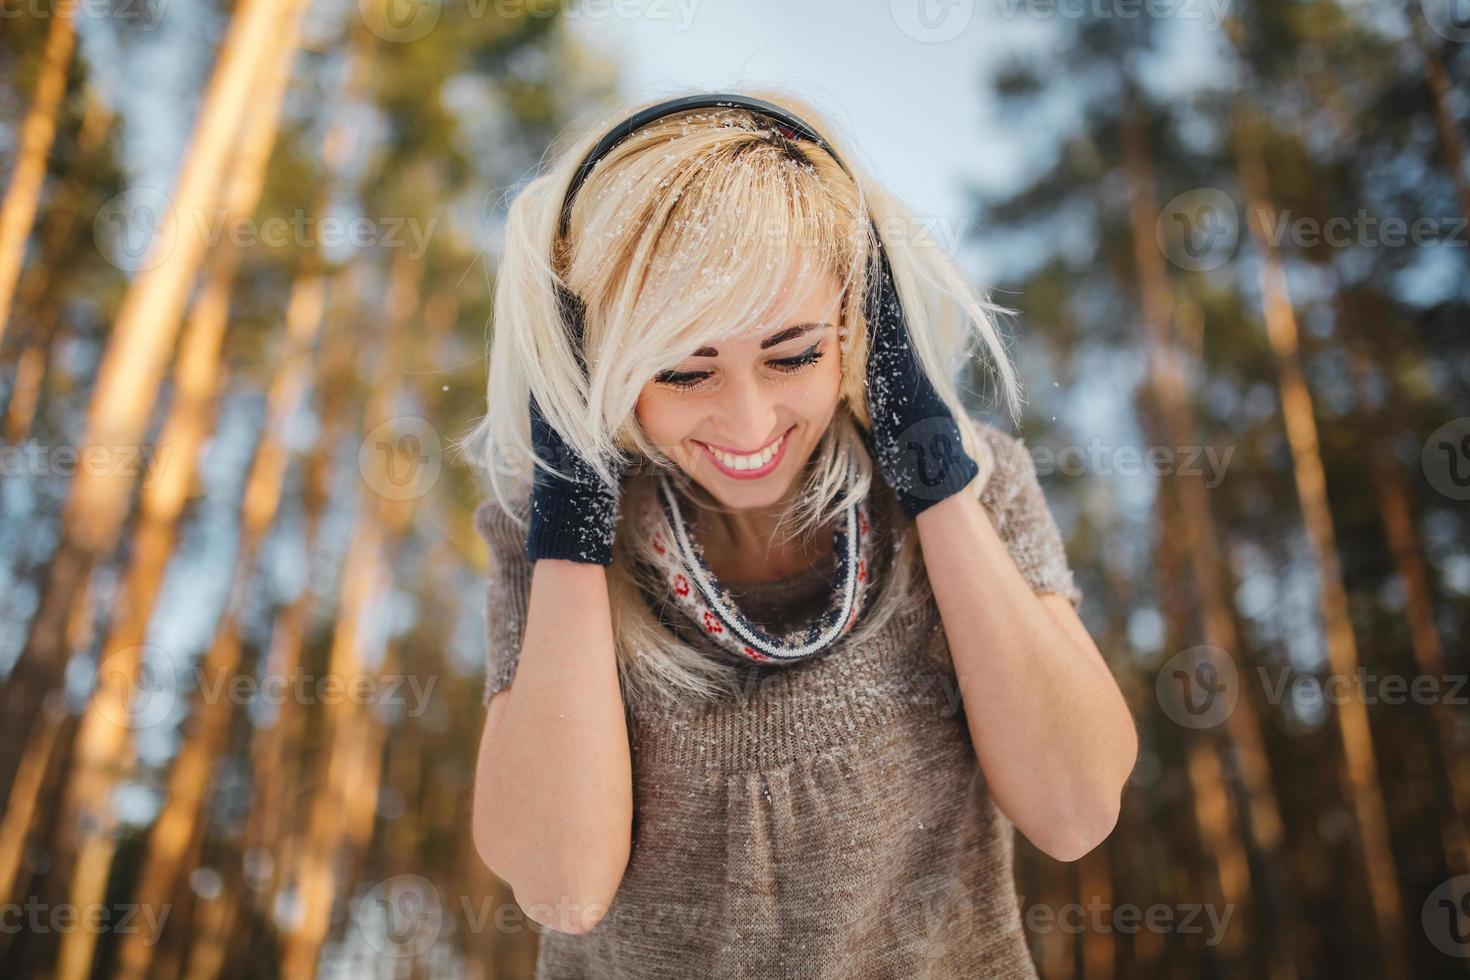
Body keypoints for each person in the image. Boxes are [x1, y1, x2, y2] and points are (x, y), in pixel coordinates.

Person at [466, 89, 1138, 978]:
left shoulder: (977, 486)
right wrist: (573, 515)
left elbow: (1074, 807)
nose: (747, 424)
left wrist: (935, 475)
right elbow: (563, 885)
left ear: (861, 326)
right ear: (602, 368)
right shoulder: (547, 541)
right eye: (681, 369)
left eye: (793, 355)